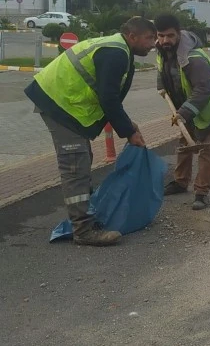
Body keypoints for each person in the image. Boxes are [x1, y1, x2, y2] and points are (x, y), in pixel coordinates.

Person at [25, 17, 157, 246]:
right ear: (132, 36)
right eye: (149, 38)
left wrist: (128, 125)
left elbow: (110, 96)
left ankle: (85, 216)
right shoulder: (116, 53)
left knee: (82, 160)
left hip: (66, 105)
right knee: (76, 164)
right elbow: (109, 98)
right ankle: (83, 231)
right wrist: (128, 131)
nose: (153, 43)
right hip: (58, 103)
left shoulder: (120, 50)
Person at [154, 14, 210, 210]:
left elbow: (204, 89)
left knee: (205, 146)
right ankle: (181, 182)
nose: (165, 41)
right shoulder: (163, 50)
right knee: (184, 141)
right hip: (187, 104)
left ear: (178, 34)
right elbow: (161, 69)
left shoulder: (193, 58)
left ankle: (202, 192)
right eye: (161, 35)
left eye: (170, 36)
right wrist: (160, 85)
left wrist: (184, 113)